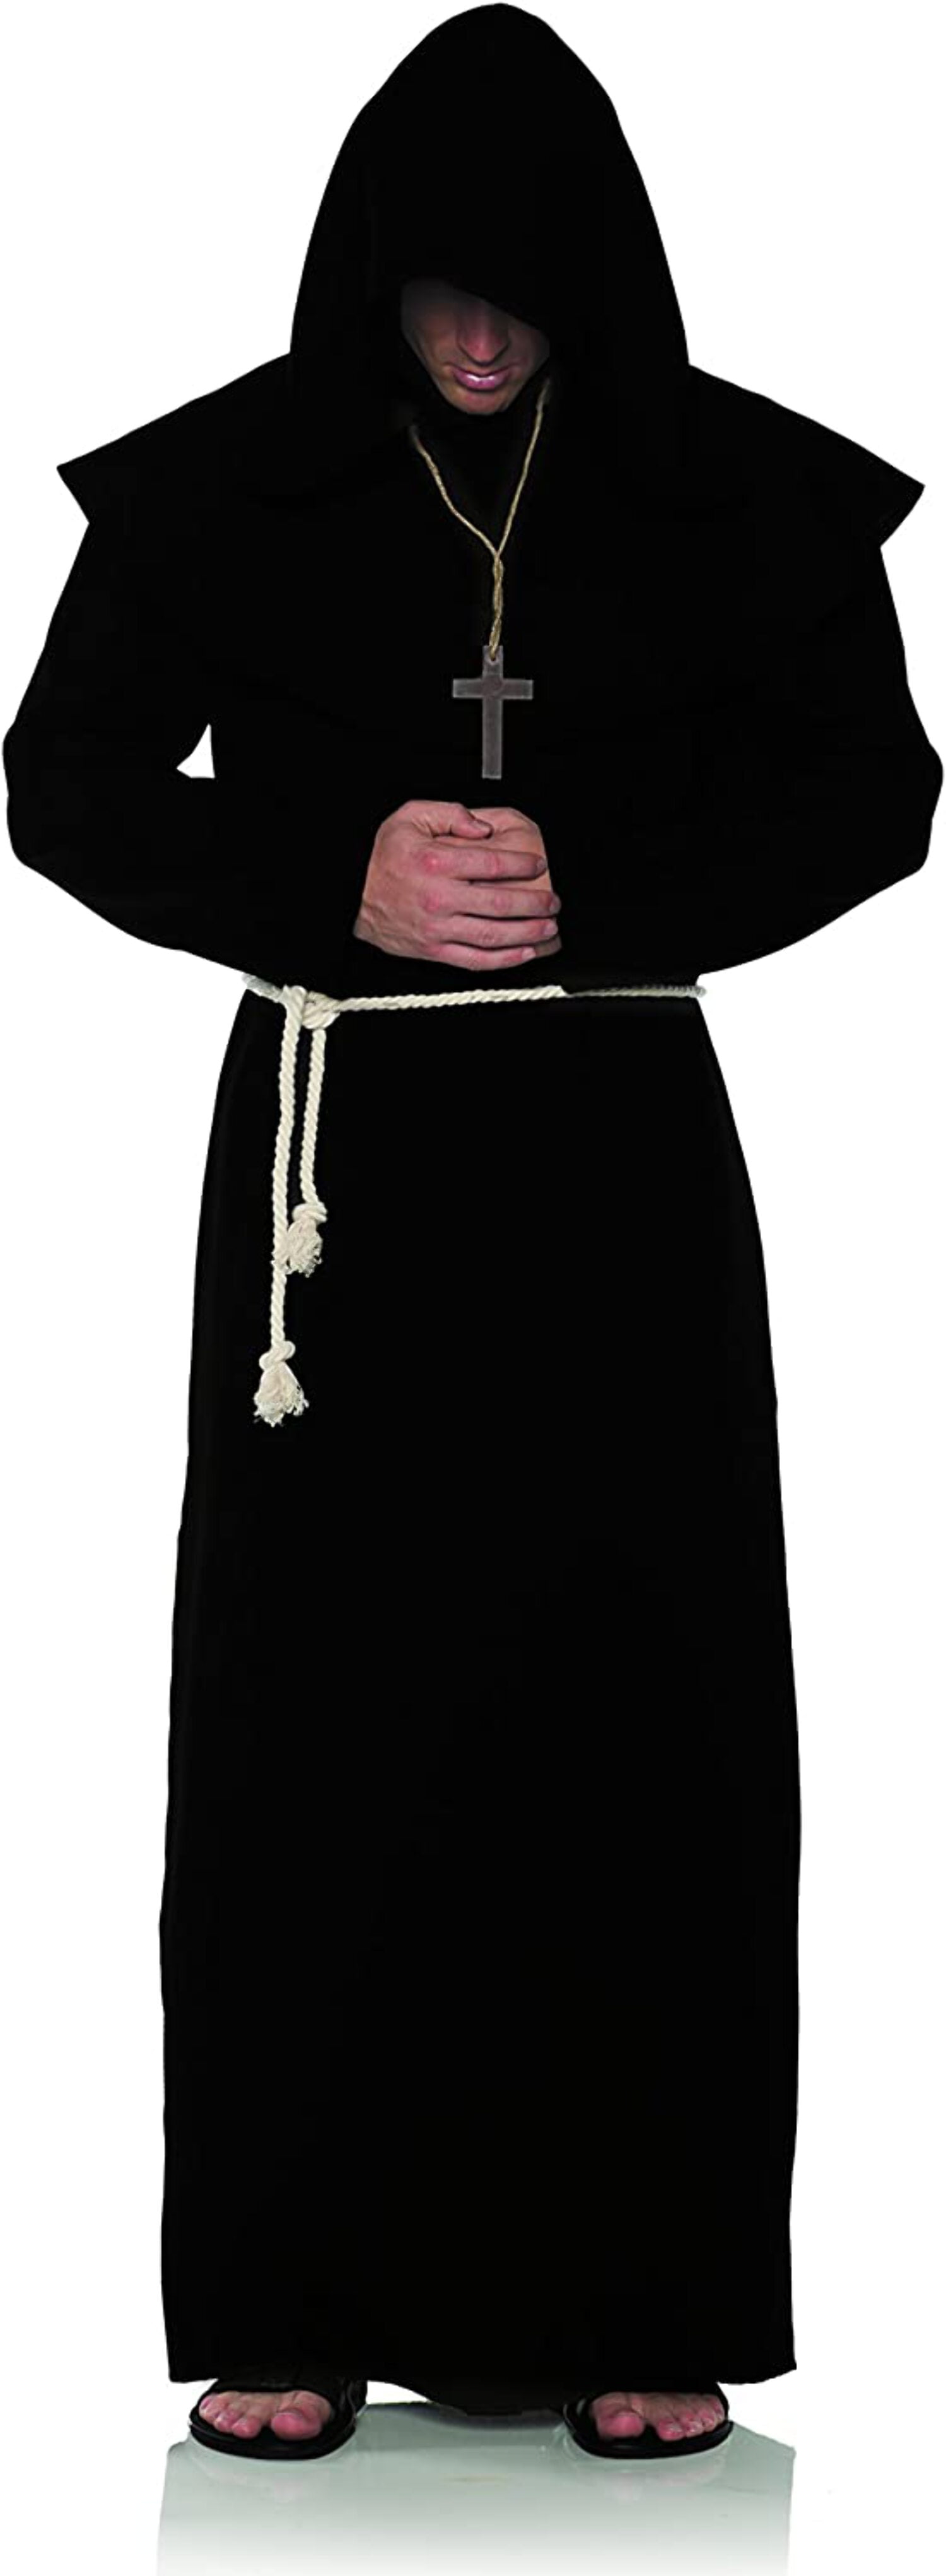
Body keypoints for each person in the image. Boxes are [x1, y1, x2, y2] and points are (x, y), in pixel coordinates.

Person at [3, 3, 941, 2466]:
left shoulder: (722, 492)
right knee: (314, 1704)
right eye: (441, 289)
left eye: (526, 291)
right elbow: (60, 778)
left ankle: (655, 2288)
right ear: (369, 273)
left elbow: (875, 788)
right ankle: (293, 2295)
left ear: (598, 275)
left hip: (614, 1147)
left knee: (644, 1691)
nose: (485, 336)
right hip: (343, 1180)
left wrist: (588, 882)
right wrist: (331, 872)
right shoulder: (235, 487)